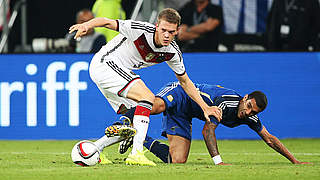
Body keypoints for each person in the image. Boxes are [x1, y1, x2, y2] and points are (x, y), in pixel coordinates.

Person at [68, 8, 222, 166]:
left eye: (171, 31)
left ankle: (95, 149)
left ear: (177, 31)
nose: (167, 35)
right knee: (148, 97)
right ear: (156, 26)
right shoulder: (140, 30)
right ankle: (137, 153)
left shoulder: (172, 52)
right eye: (163, 30)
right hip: (105, 64)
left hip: (115, 71)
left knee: (133, 119)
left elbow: (185, 82)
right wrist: (87, 25)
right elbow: (107, 22)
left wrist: (205, 107)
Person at [117, 81, 311, 165]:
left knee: (176, 161)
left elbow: (269, 139)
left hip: (186, 113)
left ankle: (137, 136)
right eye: (249, 105)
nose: (248, 112)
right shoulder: (227, 102)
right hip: (181, 94)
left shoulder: (250, 117)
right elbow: (207, 131)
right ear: (245, 98)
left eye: (254, 111)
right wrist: (218, 162)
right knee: (158, 106)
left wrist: (294, 161)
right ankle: (127, 117)